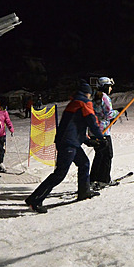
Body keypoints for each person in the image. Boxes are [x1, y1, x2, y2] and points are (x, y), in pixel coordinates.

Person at [25, 81, 106, 213]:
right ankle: (35, 199)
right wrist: (101, 138)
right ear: (88, 93)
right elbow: (92, 122)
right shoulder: (84, 103)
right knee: (60, 174)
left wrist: (87, 140)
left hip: (68, 141)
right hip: (69, 144)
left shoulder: (74, 103)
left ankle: (84, 191)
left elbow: (73, 126)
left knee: (84, 163)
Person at [90, 77, 120, 189]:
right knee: (107, 155)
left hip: (94, 131)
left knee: (99, 155)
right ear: (106, 86)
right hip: (103, 132)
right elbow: (108, 114)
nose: (111, 89)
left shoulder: (95, 96)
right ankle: (103, 179)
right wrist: (117, 112)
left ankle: (93, 179)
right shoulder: (104, 97)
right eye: (110, 86)